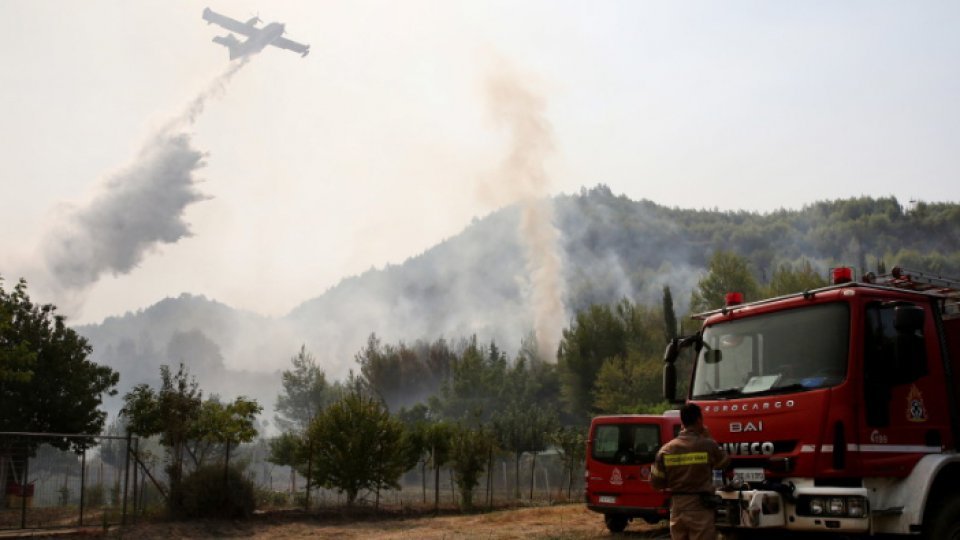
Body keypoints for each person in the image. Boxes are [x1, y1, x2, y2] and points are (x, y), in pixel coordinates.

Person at [651, 403, 730, 540]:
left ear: (682, 422)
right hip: (700, 507)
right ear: (699, 420)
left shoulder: (666, 450)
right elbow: (724, 462)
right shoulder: (707, 445)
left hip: (677, 507)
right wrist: (708, 436)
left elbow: (656, 482)